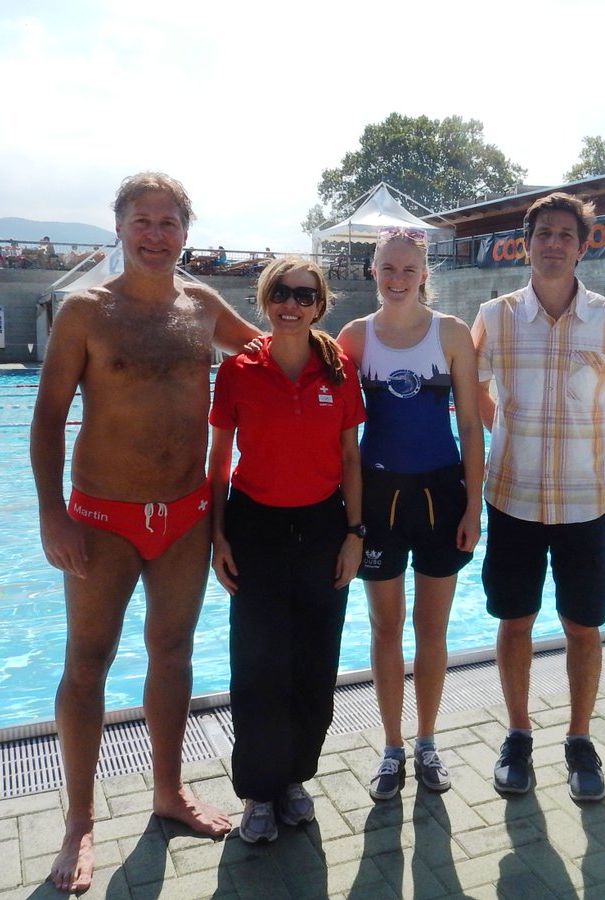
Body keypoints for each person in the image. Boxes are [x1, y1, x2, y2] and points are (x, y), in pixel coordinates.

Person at [30, 172, 262, 892]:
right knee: (88, 661)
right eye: (142, 220)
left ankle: (168, 792)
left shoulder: (203, 306)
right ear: (121, 228)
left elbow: (274, 356)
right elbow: (46, 419)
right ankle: (79, 821)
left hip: (187, 513)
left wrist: (365, 353)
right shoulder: (85, 312)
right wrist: (51, 513)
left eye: (168, 222)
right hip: (102, 519)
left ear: (185, 233)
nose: (156, 234)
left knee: (172, 650)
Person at [471, 192, 605, 803]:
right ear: (528, 243)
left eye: (565, 235)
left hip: (585, 503)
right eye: (543, 233)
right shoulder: (495, 316)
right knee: (515, 621)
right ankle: (518, 733)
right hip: (513, 498)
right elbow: (470, 389)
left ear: (582, 245)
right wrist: (505, 431)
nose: (554, 243)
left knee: (583, 625)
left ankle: (579, 738)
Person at [209, 257, 364, 844]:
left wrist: (355, 533)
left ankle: (296, 776)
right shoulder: (239, 371)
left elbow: (351, 457)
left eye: (303, 294)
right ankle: (256, 789)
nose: (291, 304)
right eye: (281, 293)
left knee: (314, 661)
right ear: (265, 300)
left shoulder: (339, 368)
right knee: (257, 663)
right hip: (256, 529)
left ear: (319, 304)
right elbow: (219, 461)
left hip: (324, 528)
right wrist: (218, 534)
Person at [335, 226, 483, 801]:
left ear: (425, 275)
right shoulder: (353, 337)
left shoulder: (451, 333)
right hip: (378, 497)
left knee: (431, 628)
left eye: (408, 270)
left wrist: (474, 504)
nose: (397, 280)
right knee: (385, 626)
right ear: (373, 272)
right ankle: (392, 747)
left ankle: (427, 742)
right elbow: (341, 435)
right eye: (386, 269)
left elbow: (469, 426)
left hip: (441, 495)